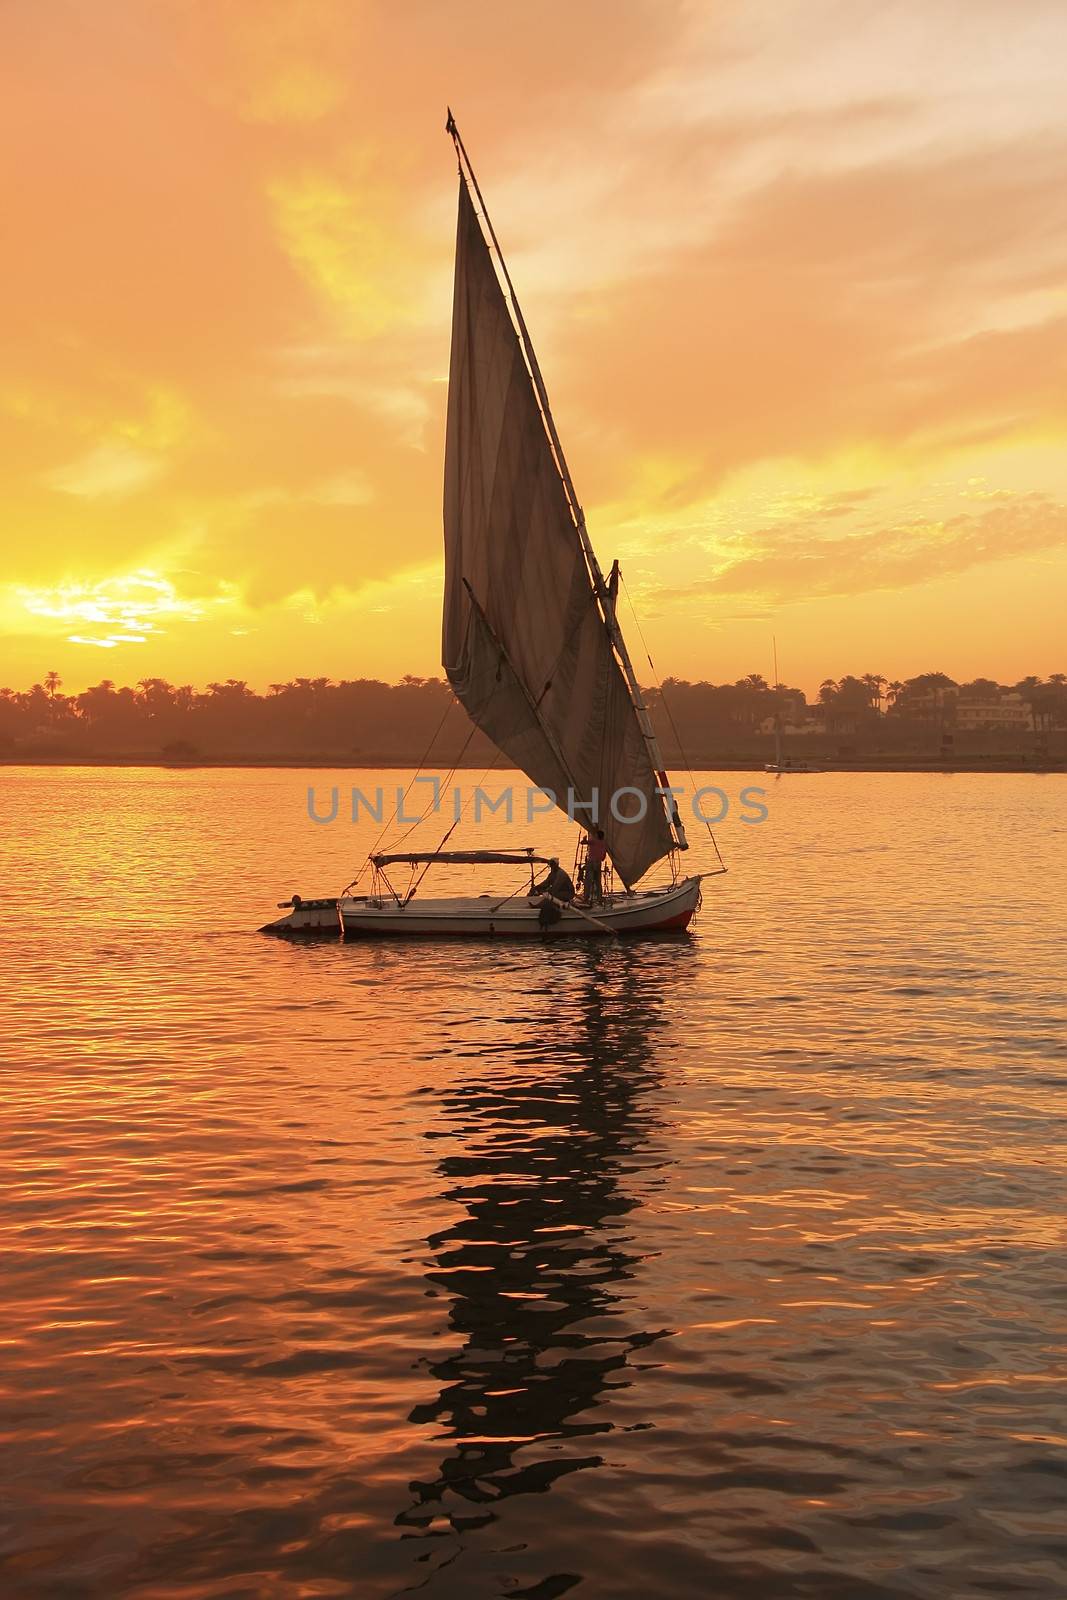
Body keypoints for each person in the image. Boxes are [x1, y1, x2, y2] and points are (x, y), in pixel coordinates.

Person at [532, 857, 574, 930]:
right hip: (559, 892)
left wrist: (545, 892)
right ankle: (539, 905)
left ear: (556, 865)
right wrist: (537, 888)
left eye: (552, 865)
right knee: (550, 895)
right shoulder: (553, 873)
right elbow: (547, 882)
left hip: (567, 894)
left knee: (551, 897)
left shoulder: (561, 874)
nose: (551, 866)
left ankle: (538, 906)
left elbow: (555, 888)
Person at [583, 828, 608, 904]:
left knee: (588, 881)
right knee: (598, 881)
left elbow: (583, 842)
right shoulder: (604, 843)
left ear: (597, 836)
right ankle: (599, 898)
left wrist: (584, 839)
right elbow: (603, 857)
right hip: (598, 863)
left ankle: (586, 898)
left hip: (591, 862)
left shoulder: (593, 841)